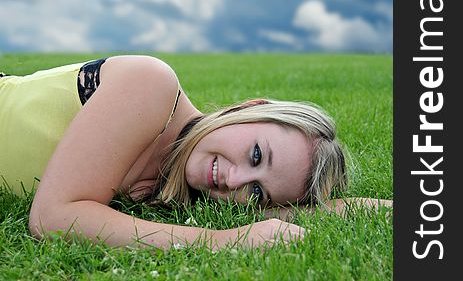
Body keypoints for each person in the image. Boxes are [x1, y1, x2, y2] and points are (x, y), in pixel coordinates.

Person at [0, 55, 390, 250]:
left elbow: (286, 214)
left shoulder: (176, 188)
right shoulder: (151, 85)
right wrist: (227, 240)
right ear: (248, 108)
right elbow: (53, 218)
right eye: (256, 155)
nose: (234, 180)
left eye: (256, 192)